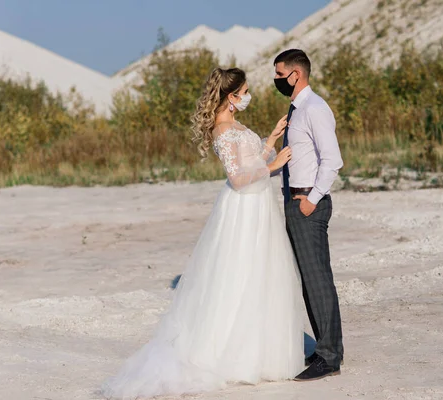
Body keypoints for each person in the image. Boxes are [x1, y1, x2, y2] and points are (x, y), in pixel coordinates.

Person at [101, 67, 304, 399]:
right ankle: (235, 355)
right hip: (243, 208)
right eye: (245, 91)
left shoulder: (235, 125)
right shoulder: (223, 130)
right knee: (240, 275)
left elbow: (249, 161)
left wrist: (269, 141)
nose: (248, 95)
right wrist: (274, 165)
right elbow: (239, 177)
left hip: (257, 205)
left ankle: (262, 351)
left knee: (260, 275)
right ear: (231, 96)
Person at [273, 49, 344, 381]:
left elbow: (332, 160)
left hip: (308, 204)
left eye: (279, 75)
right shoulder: (296, 110)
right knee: (308, 282)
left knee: (318, 280)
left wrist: (311, 200)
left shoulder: (314, 109)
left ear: (295, 75)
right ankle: (323, 347)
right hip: (294, 200)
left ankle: (329, 356)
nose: (276, 81)